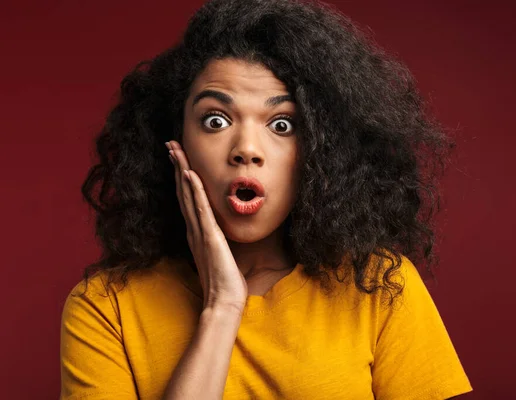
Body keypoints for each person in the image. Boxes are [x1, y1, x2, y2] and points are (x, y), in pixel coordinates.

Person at [59, 0, 473, 398]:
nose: (247, 149)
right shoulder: (105, 306)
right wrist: (222, 308)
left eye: (282, 124)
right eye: (216, 120)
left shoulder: (379, 286)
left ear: (322, 148)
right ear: (173, 139)